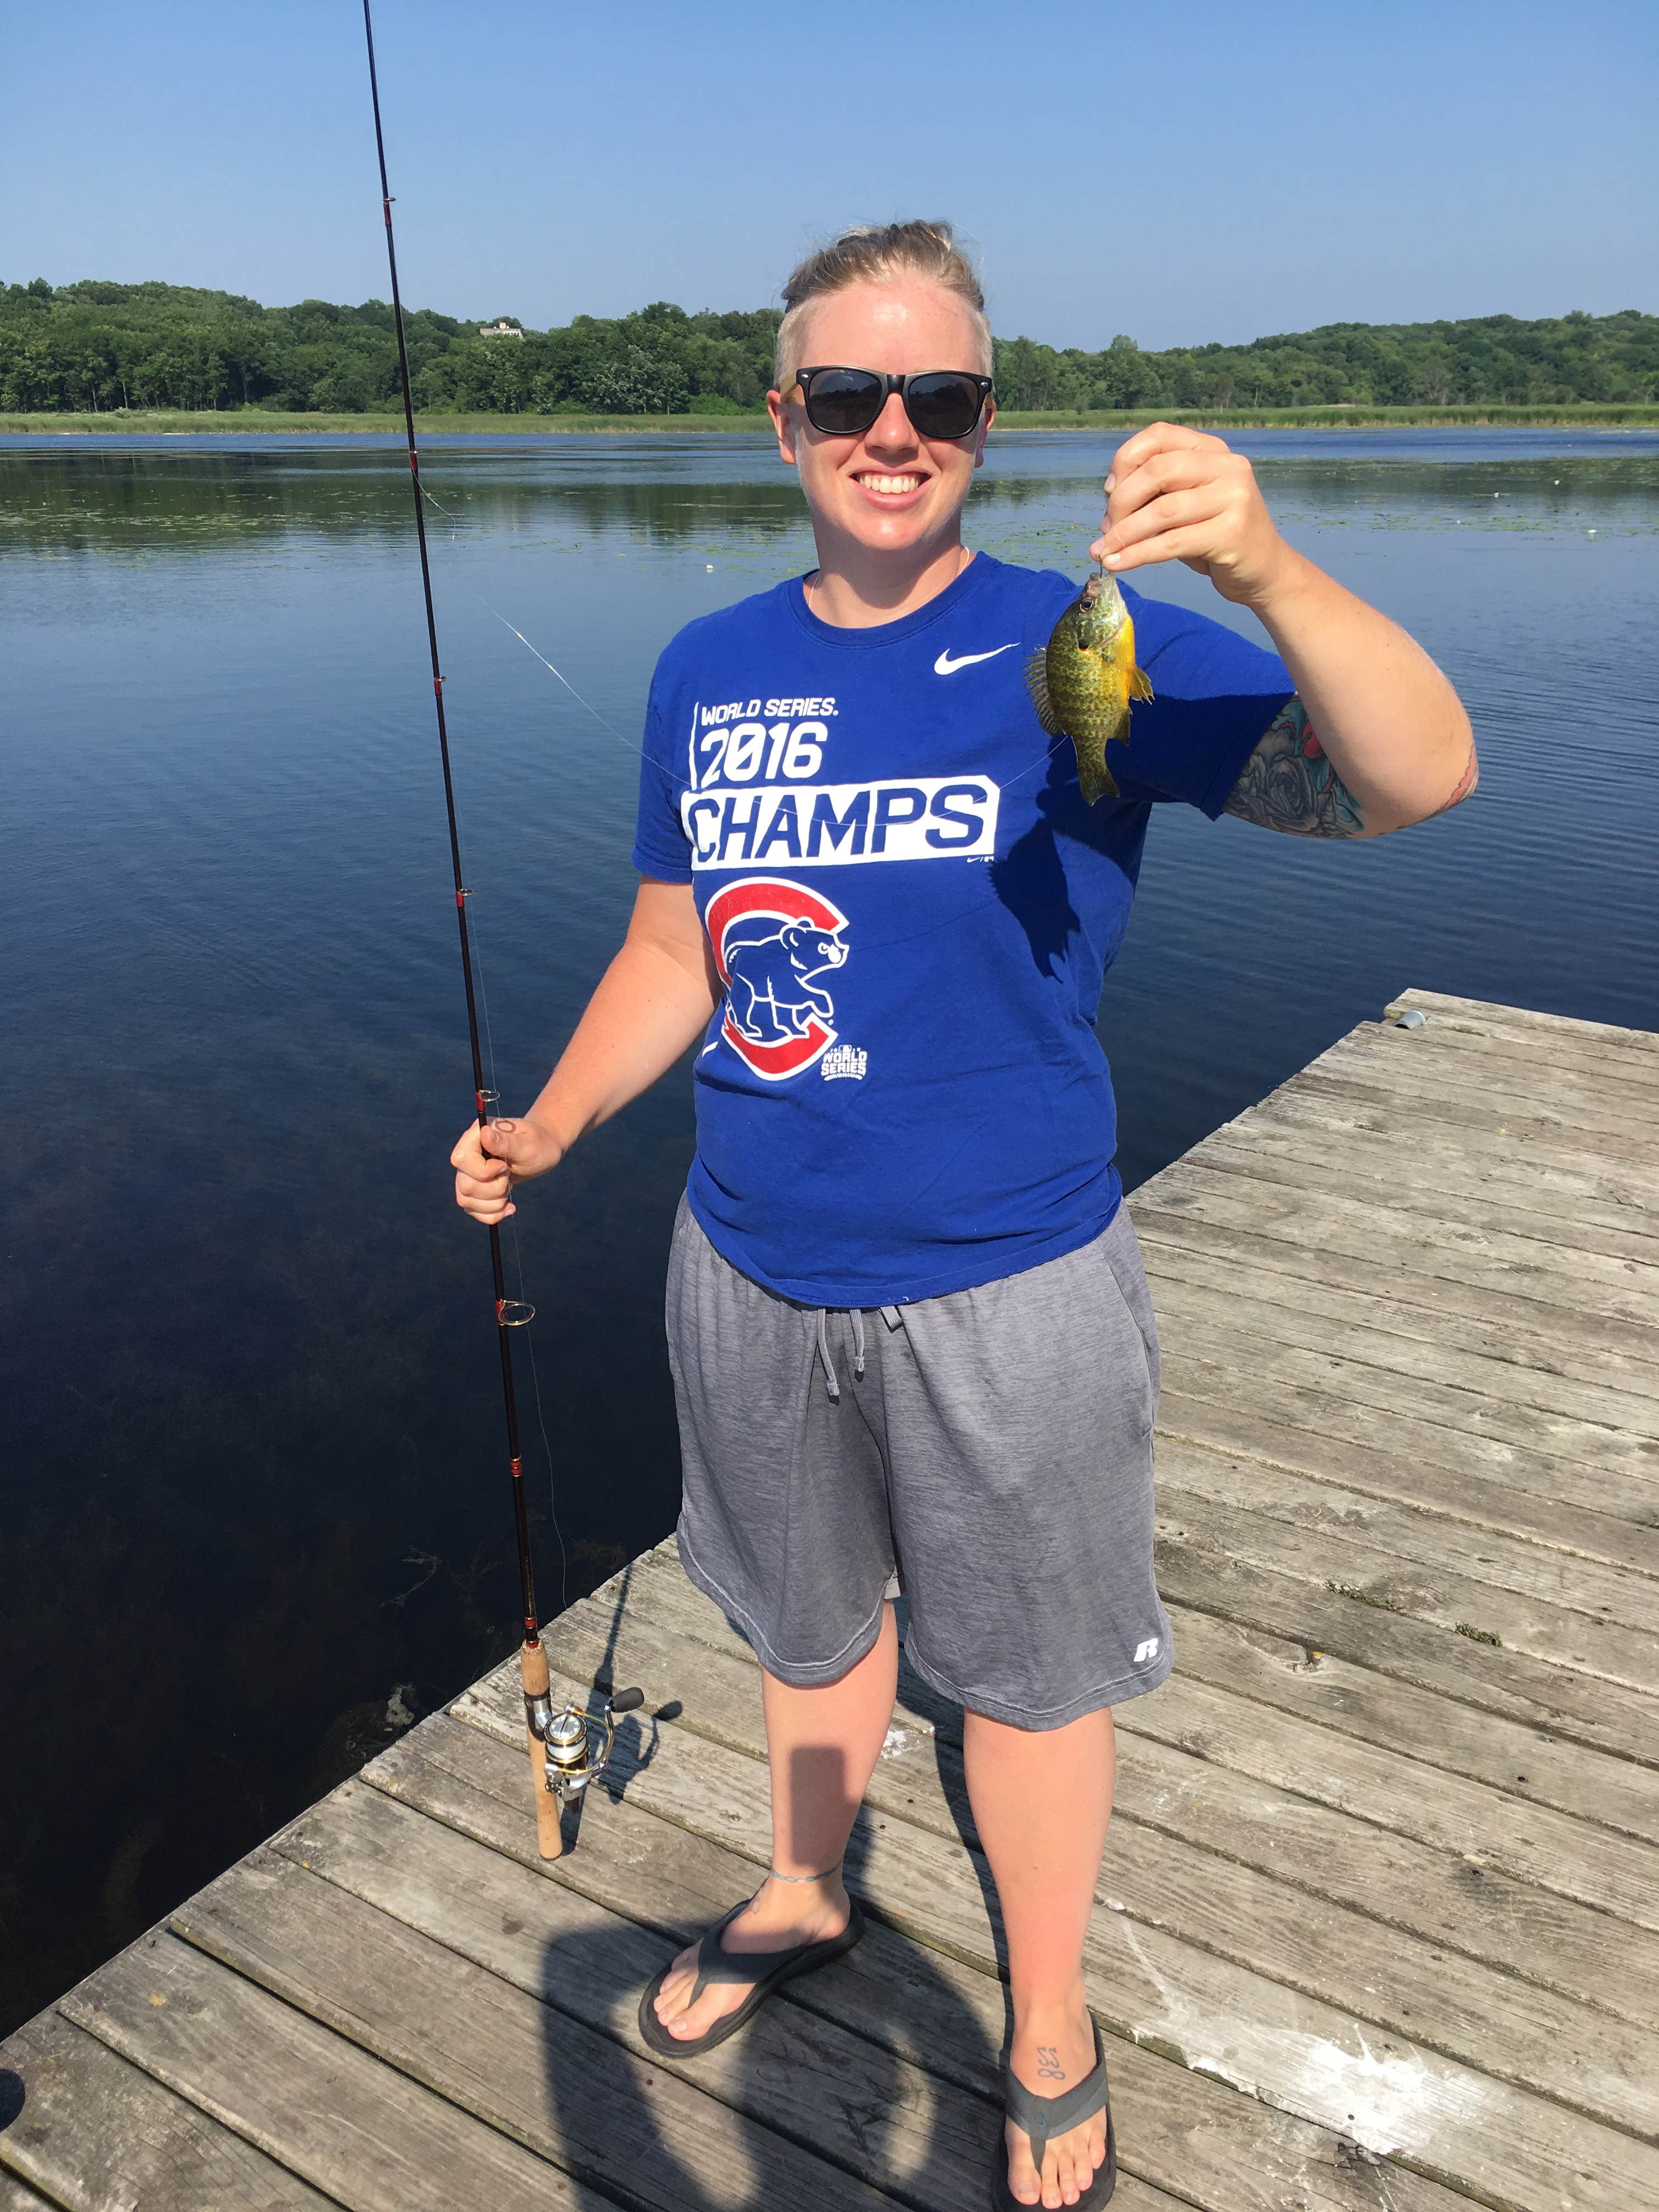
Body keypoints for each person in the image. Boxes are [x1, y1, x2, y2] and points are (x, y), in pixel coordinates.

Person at [452, 222, 1475, 2211]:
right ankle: (805, 1886)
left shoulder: (1089, 638)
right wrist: (563, 1113)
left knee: (1025, 1676)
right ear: (784, 424)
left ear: (988, 428)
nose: (894, 431)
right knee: (809, 1629)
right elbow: (680, 940)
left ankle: (1051, 2013)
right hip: (747, 1259)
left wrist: (1258, 564)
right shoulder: (708, 666)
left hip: (1012, 1279)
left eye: (944, 399)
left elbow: (1414, 776)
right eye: (850, 395)